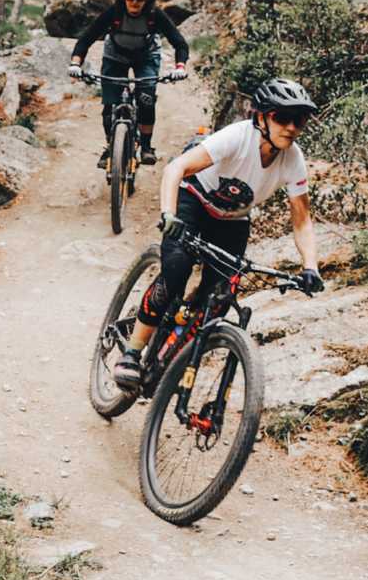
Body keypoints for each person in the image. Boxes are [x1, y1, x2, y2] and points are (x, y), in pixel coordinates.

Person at [111, 77, 326, 389]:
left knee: (219, 299)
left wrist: (310, 267)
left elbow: (302, 220)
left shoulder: (294, 159)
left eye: (300, 120)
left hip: (233, 220)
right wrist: (169, 215)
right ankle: (132, 352)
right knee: (177, 270)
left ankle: (169, 358)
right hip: (193, 202)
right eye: (282, 117)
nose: (292, 127)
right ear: (262, 116)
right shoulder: (238, 137)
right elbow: (176, 168)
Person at [67, 0, 190, 167]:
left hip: (146, 56)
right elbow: (86, 39)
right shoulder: (113, 13)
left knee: (146, 99)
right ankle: (110, 148)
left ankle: (147, 147)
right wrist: (75, 63)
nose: (135, 2)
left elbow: (180, 43)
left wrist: (180, 66)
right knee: (109, 104)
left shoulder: (155, 14)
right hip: (115, 56)